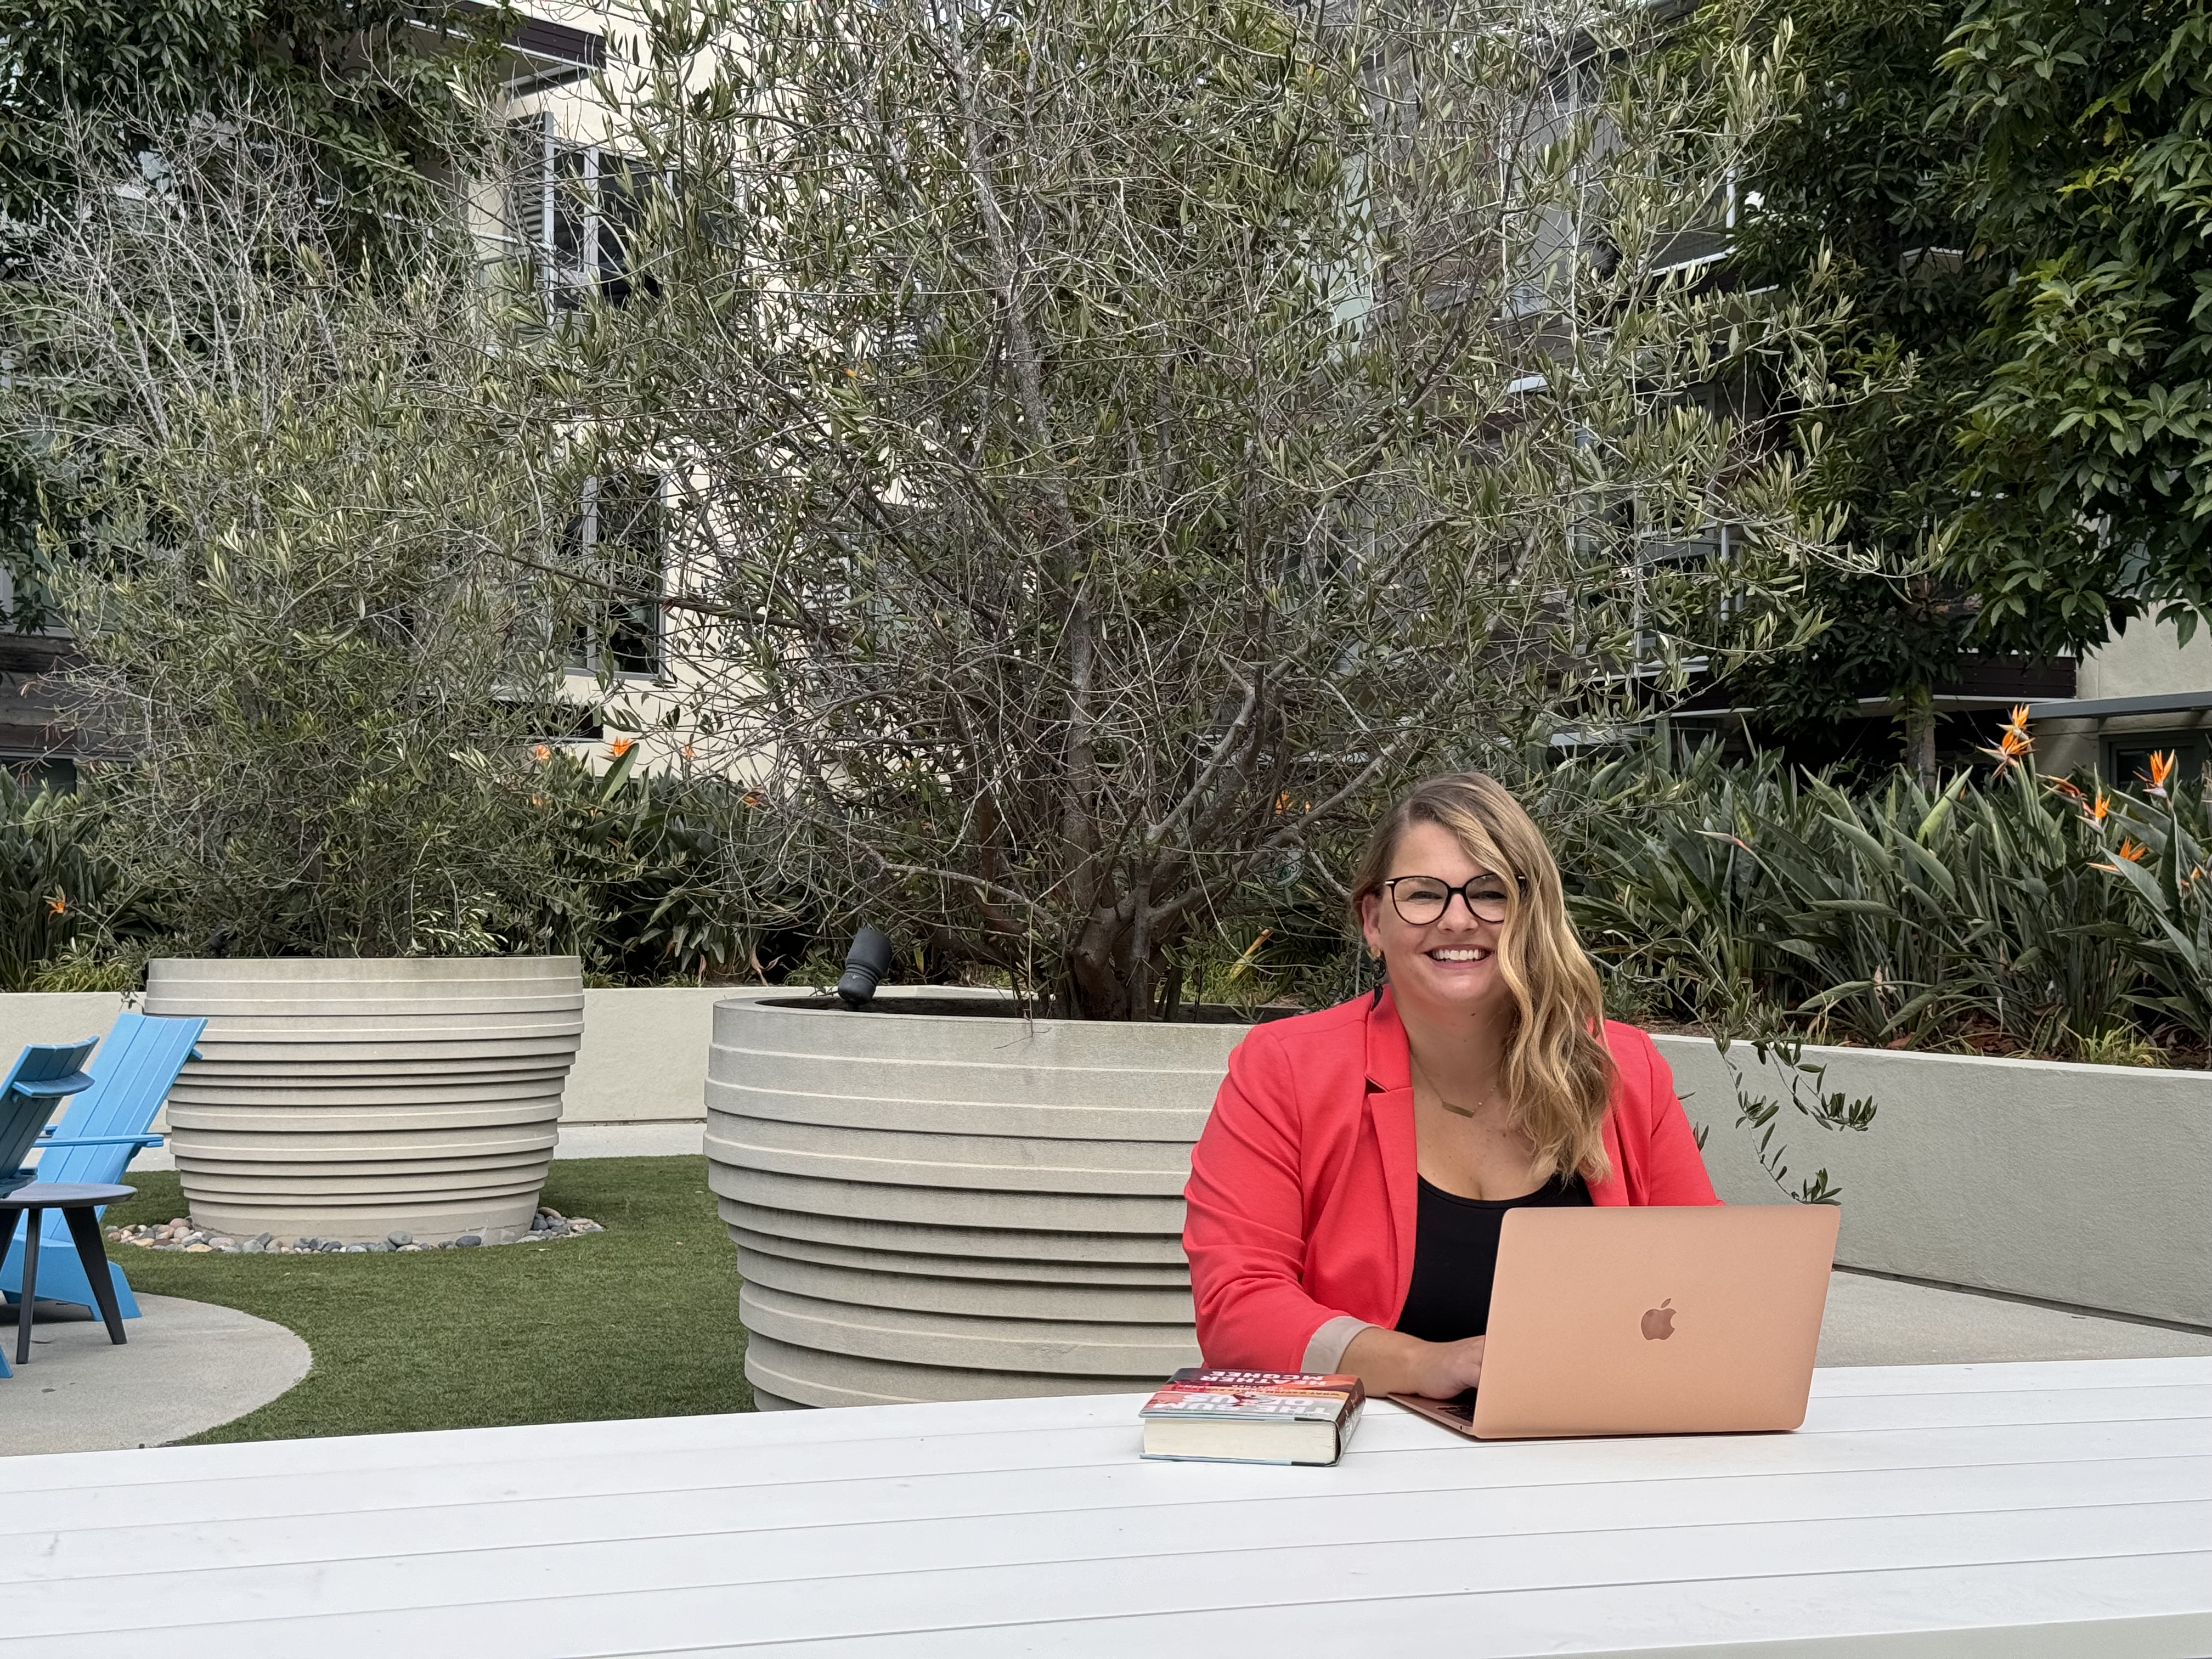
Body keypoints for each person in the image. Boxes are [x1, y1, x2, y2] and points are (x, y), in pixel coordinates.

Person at [1183, 772, 1718, 1399]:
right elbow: (1238, 1306)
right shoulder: (1284, 1070)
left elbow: (1704, 1282)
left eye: (1490, 893)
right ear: (1374, 921)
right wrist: (1425, 1365)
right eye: (1423, 894)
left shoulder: (1623, 1068)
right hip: (1367, 1466)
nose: (1458, 919)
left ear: (1532, 914)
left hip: (1588, 1449)